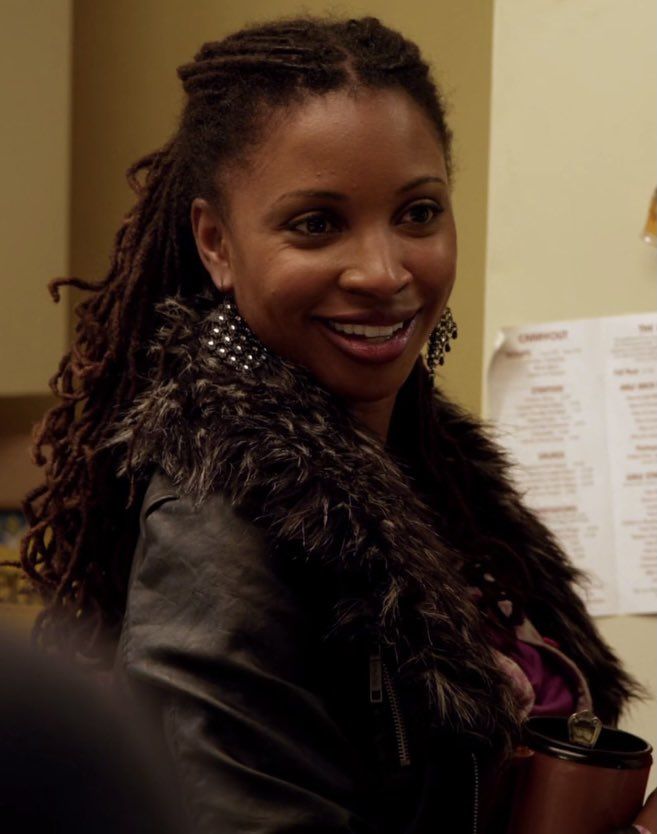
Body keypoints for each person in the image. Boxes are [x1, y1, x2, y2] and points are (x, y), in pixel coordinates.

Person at [19, 13, 653, 834]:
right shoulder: (214, 529)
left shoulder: (422, 468)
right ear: (216, 242)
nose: (384, 271)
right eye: (316, 223)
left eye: (418, 213)